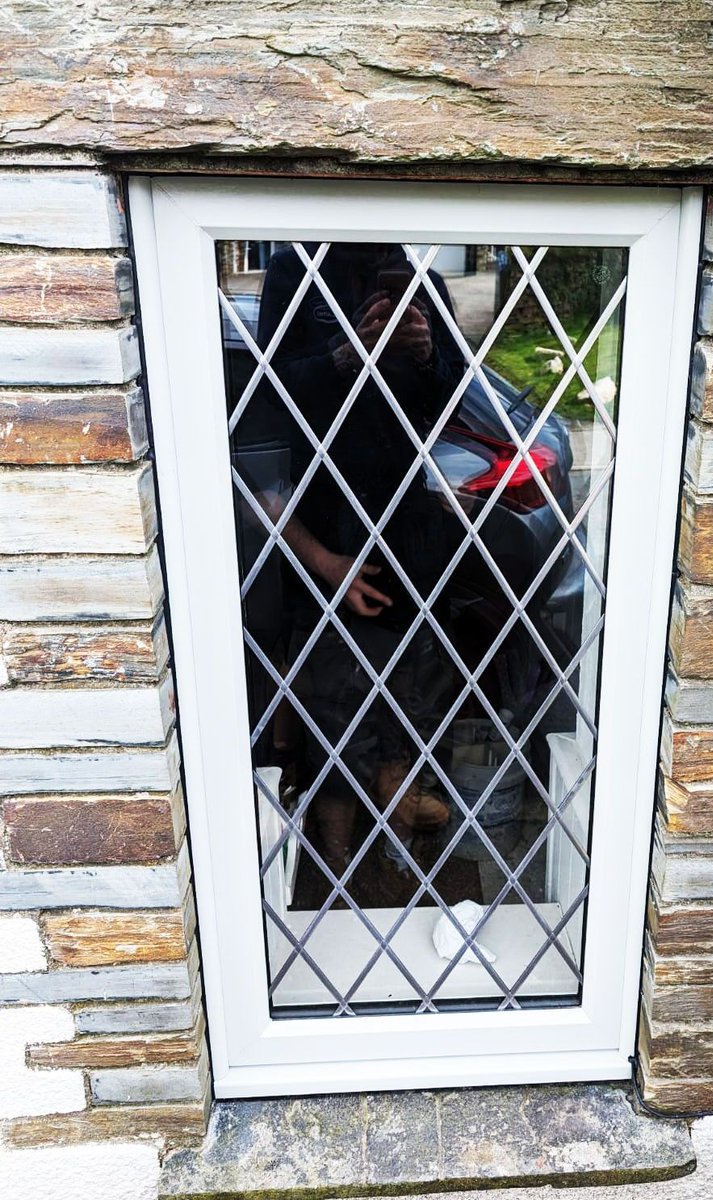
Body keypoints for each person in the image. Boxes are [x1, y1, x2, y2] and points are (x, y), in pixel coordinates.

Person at [254, 242, 467, 881]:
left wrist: (426, 351)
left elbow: (453, 401)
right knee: (330, 718)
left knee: (407, 708)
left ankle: (400, 860)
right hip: (322, 524)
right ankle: (340, 869)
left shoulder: (420, 274)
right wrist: (345, 356)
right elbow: (269, 394)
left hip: (408, 534)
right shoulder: (297, 270)